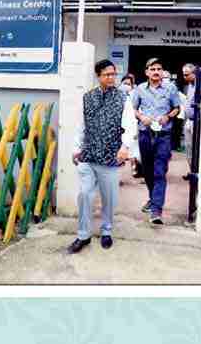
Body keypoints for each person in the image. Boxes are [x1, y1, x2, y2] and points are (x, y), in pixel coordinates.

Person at [68, 59, 131, 254]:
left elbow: (130, 125)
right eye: (107, 75)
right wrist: (76, 148)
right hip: (88, 155)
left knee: (109, 198)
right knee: (85, 195)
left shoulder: (123, 98)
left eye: (113, 74)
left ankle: (106, 231)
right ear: (98, 76)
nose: (111, 77)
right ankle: (83, 235)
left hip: (110, 157)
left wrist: (125, 147)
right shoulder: (87, 97)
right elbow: (81, 125)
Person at [132, 57, 183, 225]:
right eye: (152, 69)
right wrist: (142, 117)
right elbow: (133, 109)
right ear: (147, 72)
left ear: (162, 72)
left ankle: (156, 211)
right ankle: (152, 198)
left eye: (159, 69)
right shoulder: (139, 89)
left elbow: (177, 108)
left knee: (159, 172)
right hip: (145, 134)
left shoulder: (171, 89)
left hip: (163, 136)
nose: (156, 72)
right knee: (147, 171)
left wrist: (167, 116)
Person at [120, 74, 141, 178]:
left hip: (133, 125)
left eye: (129, 84)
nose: (126, 86)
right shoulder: (118, 95)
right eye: (125, 83)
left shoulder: (135, 96)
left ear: (132, 86)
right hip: (122, 128)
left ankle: (134, 168)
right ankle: (118, 174)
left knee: (133, 150)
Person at [181, 63, 197, 158]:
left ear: (194, 73)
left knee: (195, 147)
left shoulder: (200, 85)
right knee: (188, 147)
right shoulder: (189, 86)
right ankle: (191, 170)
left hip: (197, 121)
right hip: (189, 120)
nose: (184, 77)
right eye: (183, 74)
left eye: (186, 74)